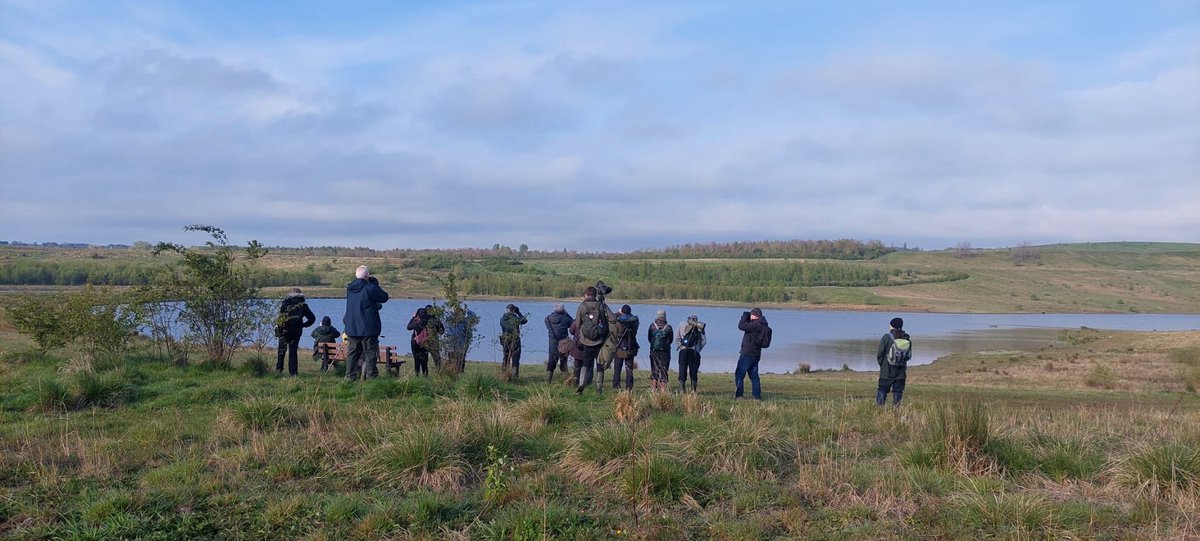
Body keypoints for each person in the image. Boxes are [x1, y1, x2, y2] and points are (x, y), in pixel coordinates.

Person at [343, 265, 389, 381]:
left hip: (352, 326)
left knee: (352, 353)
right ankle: (371, 377)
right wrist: (373, 284)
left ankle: (349, 377)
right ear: (367, 275)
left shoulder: (350, 288)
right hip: (368, 327)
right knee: (370, 353)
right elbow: (384, 297)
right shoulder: (370, 288)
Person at [574, 282, 615, 395]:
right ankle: (599, 388)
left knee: (586, 364)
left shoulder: (582, 306)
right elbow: (613, 319)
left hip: (586, 341)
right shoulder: (601, 305)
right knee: (600, 364)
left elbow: (577, 323)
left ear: (586, 295)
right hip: (600, 340)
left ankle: (581, 384)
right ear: (595, 294)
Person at [275, 288, 316, 376]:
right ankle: (293, 373)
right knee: (293, 352)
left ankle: (279, 369)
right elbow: (312, 318)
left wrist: (278, 328)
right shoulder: (303, 305)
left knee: (281, 350)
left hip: (284, 330)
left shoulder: (285, 303)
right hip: (296, 331)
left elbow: (281, 317)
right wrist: (304, 325)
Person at [735, 307, 770, 400]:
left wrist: (744, 316)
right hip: (756, 354)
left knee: (739, 374)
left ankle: (739, 395)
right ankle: (757, 396)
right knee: (754, 376)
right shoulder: (763, 325)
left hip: (747, 354)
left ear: (754, 316)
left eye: (751, 315)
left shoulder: (755, 325)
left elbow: (741, 326)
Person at [876, 317, 911, 406]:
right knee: (898, 392)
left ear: (892, 326)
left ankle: (880, 410)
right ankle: (896, 411)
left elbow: (880, 354)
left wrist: (882, 365)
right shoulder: (906, 339)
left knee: (882, 390)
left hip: (886, 371)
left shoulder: (886, 337)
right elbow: (909, 356)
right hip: (900, 372)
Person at [676, 314, 706, 393]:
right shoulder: (700, 326)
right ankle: (693, 391)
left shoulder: (681, 324)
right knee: (693, 372)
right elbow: (704, 341)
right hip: (694, 352)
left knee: (682, 370)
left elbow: (677, 338)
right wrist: (698, 349)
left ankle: (682, 390)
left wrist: (681, 346)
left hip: (683, 351)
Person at [612, 305, 640, 390]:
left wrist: (618, 314)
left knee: (617, 368)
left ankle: (616, 385)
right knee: (629, 369)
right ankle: (629, 386)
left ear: (622, 312)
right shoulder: (635, 322)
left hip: (620, 347)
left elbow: (613, 330)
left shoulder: (618, 322)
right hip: (630, 347)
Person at [407, 306, 440, 377]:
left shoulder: (416, 320)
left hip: (415, 343)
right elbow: (441, 330)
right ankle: (426, 376)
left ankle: (417, 376)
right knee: (424, 361)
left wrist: (413, 317)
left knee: (417, 361)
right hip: (425, 343)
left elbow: (408, 327)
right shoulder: (431, 320)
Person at [544, 303, 573, 383]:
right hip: (563, 345)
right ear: (562, 310)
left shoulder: (547, 319)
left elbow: (547, 327)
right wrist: (567, 314)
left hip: (552, 344)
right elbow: (573, 323)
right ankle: (566, 381)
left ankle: (548, 381)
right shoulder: (566, 319)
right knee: (564, 363)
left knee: (551, 363)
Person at [646, 309, 673, 392]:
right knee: (664, 369)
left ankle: (653, 389)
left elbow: (649, 339)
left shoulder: (652, 326)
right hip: (665, 352)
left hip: (654, 350)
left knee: (654, 369)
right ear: (665, 317)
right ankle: (663, 390)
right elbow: (671, 340)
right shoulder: (668, 327)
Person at [499, 304, 528, 378]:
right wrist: (518, 313)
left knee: (505, 357)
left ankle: (504, 375)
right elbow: (524, 320)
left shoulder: (502, 319)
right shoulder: (515, 319)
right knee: (515, 357)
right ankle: (515, 376)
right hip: (515, 340)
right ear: (513, 310)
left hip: (505, 340)